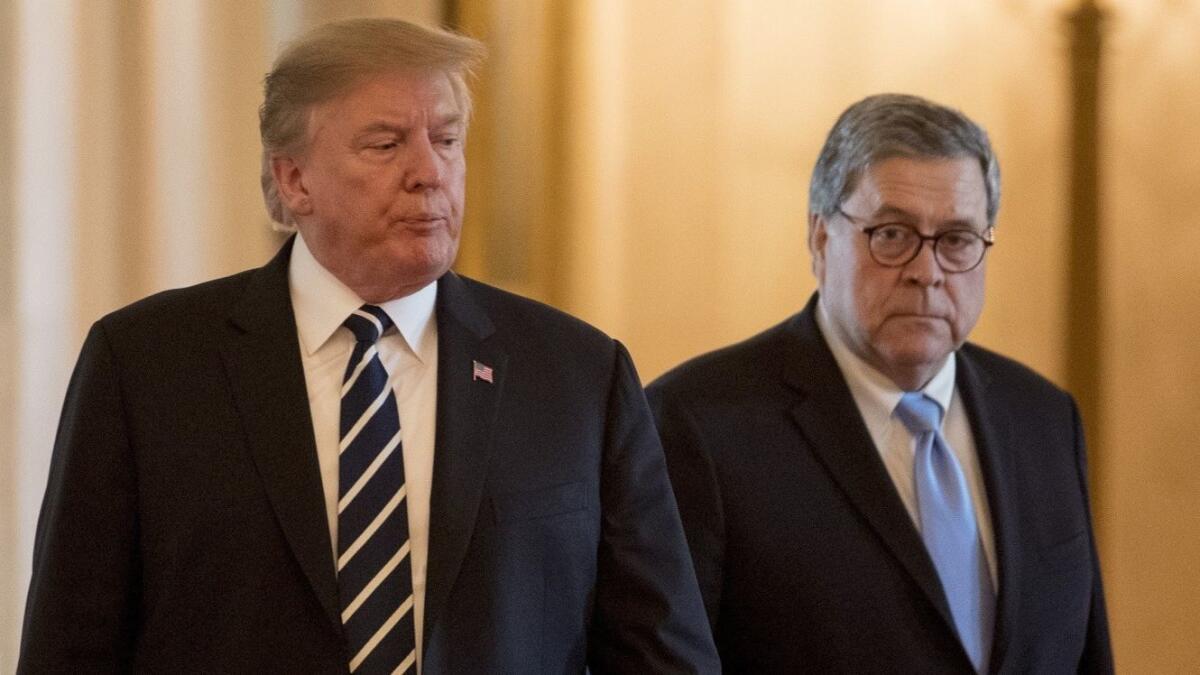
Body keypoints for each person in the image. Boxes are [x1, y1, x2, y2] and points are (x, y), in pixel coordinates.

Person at [19, 18, 717, 674]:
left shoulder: (576, 375)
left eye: (445, 140)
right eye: (386, 144)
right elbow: (71, 646)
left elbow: (661, 653)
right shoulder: (147, 366)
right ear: (294, 179)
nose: (428, 171)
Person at [647, 93, 1113, 673]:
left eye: (957, 239)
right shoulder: (697, 424)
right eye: (892, 234)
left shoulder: (1044, 418)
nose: (926, 271)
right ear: (820, 238)